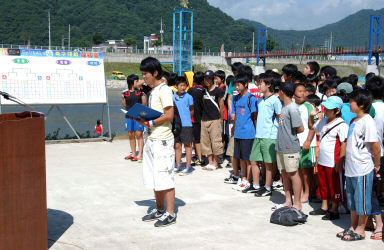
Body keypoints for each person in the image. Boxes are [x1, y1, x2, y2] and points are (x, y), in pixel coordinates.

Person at [137, 57, 176, 227]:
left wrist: (150, 122)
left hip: (163, 141)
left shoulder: (164, 90)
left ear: (155, 73)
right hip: (151, 139)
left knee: (165, 176)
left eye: (145, 74)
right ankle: (160, 209)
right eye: (142, 74)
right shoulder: (153, 91)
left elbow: (169, 115)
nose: (143, 77)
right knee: (154, 176)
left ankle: (170, 213)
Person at [337, 89, 381, 241]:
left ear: (361, 105)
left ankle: (361, 229)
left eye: (352, 101)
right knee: (352, 200)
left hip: (362, 168)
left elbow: (375, 146)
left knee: (362, 200)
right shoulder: (354, 121)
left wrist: (377, 165)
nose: (349, 103)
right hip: (350, 168)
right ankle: (353, 225)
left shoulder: (368, 121)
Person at [308, 96, 349, 220]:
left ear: (337, 111)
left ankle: (334, 210)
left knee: (335, 185)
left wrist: (340, 161)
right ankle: (324, 206)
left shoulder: (342, 125)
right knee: (323, 184)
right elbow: (311, 127)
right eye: (325, 108)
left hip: (333, 162)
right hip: (322, 160)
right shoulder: (323, 121)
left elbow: (344, 144)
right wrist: (311, 116)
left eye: (328, 109)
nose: (325, 110)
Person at [249, 73, 282, 196]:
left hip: (270, 136)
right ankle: (256, 185)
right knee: (254, 160)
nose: (258, 85)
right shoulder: (259, 100)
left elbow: (280, 117)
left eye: (261, 83)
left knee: (268, 164)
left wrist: (280, 131)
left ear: (268, 85)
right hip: (259, 135)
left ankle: (268, 187)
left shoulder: (275, 100)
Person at [275, 82, 304, 210]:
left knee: (293, 173)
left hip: (290, 146)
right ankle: (288, 200)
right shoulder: (284, 107)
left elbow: (300, 128)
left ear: (282, 92)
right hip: (281, 146)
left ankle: (297, 203)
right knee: (284, 173)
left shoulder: (292, 108)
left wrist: (289, 135)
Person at [365, 76, 384, 240]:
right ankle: (371, 222)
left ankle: (378, 224)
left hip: (373, 155)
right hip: (381, 153)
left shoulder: (372, 110)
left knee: (370, 191)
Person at [231, 74, 257, 192]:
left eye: (238, 85)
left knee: (248, 159)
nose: (236, 87)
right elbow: (235, 115)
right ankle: (243, 178)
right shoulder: (235, 98)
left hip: (248, 133)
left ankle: (248, 181)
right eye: (235, 85)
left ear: (245, 84)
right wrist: (234, 128)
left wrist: (256, 132)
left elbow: (255, 116)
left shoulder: (251, 98)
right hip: (238, 133)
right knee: (241, 157)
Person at [294, 83, 317, 203]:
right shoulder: (291, 106)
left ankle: (307, 193)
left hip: (307, 143)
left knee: (306, 171)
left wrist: (308, 140)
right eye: (299, 91)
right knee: (297, 169)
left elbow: (313, 126)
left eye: (304, 91)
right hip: (294, 143)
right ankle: (300, 191)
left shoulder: (309, 107)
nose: (303, 93)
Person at [201, 70, 224, 170]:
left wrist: (221, 118)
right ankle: (209, 162)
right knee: (206, 142)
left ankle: (215, 163)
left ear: (212, 79)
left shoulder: (218, 91)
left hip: (215, 119)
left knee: (215, 142)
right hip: (204, 119)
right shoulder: (203, 91)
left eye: (209, 79)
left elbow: (221, 105)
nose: (207, 81)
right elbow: (203, 104)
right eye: (205, 79)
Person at [122, 74, 146, 162]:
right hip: (128, 116)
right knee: (130, 134)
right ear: (132, 82)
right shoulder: (125, 93)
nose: (138, 82)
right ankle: (133, 153)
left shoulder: (141, 92)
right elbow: (124, 104)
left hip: (139, 116)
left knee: (139, 134)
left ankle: (140, 154)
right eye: (136, 81)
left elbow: (144, 103)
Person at [173, 76, 194, 176]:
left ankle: (188, 166)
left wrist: (186, 119)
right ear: (176, 86)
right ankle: (178, 165)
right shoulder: (172, 97)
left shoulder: (189, 97)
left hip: (186, 125)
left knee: (187, 146)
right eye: (181, 85)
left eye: (184, 85)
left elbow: (191, 110)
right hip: (176, 125)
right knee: (177, 146)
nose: (183, 87)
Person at [187, 71, 205, 166]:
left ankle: (200, 158)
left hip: (194, 118)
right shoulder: (204, 90)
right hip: (203, 117)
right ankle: (201, 156)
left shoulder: (190, 90)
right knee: (201, 138)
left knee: (196, 140)